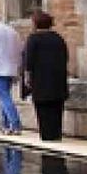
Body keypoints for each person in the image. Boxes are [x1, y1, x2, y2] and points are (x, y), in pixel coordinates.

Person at [23, 12, 71, 142]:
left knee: (43, 107)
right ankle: (56, 133)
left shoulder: (33, 38)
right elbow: (66, 56)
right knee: (57, 106)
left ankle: (47, 134)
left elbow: (29, 60)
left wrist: (27, 76)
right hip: (58, 77)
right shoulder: (58, 38)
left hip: (40, 77)